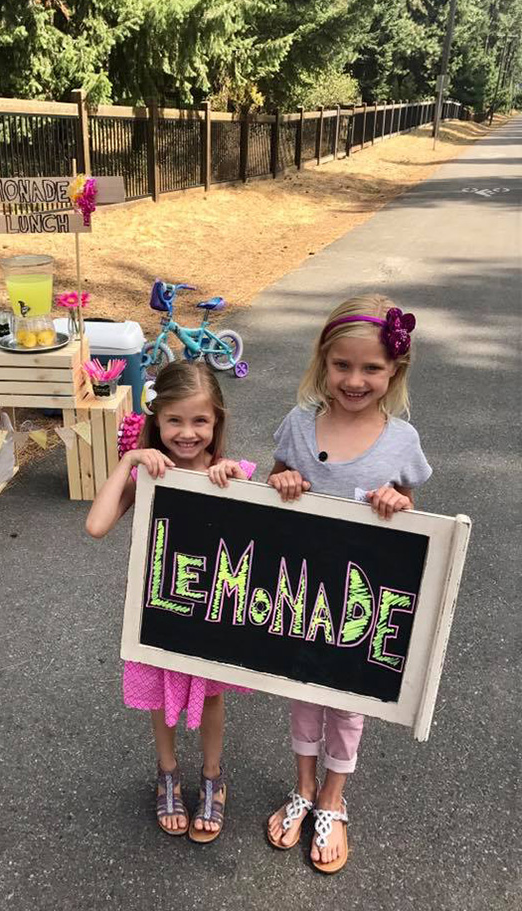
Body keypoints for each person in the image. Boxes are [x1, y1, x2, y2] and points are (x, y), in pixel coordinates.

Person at [265, 294, 431, 873]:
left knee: (349, 703)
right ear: (323, 362)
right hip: (305, 595)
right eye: (342, 366)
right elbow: (274, 480)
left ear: (394, 371)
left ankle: (334, 799)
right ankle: (304, 788)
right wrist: (283, 480)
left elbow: (414, 510)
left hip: (363, 600)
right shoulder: (298, 425)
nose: (354, 380)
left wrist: (398, 501)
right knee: (304, 694)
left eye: (371, 369)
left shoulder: (401, 441)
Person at [86, 361, 255, 843]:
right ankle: (167, 773)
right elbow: (97, 526)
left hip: (210, 612)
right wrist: (129, 462)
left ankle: (212, 775)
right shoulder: (149, 476)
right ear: (156, 421)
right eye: (174, 420)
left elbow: (259, 540)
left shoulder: (234, 474)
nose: (187, 433)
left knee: (214, 693)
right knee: (160, 695)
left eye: (200, 421)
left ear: (217, 422)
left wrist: (234, 483)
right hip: (158, 611)